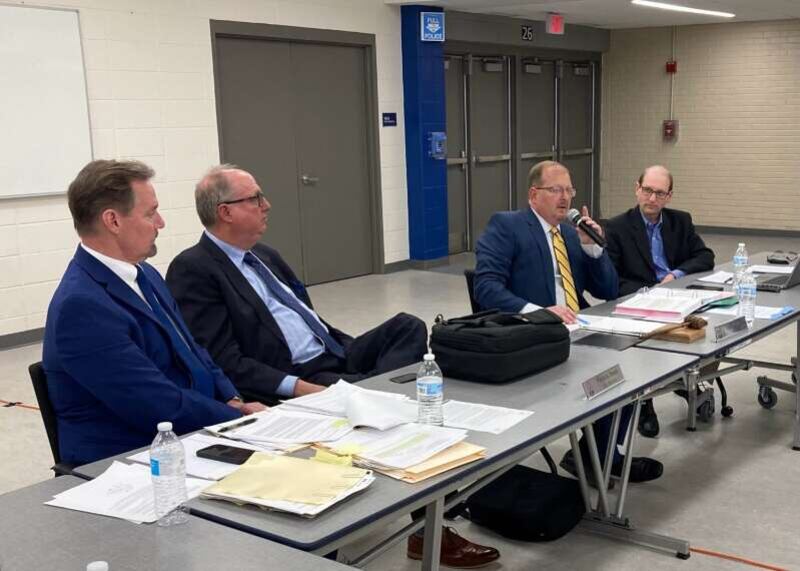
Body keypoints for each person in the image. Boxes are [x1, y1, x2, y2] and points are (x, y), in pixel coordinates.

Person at [166, 165, 498, 568]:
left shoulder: (265, 255)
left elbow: (308, 318)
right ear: (226, 212)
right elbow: (225, 360)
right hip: (298, 377)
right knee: (389, 411)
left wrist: (351, 350)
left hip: (334, 355)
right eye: (255, 199)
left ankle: (370, 401)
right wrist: (304, 388)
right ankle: (427, 525)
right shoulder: (194, 268)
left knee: (408, 326)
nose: (266, 205)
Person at [42, 160, 265, 466]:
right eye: (150, 213)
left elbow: (192, 349)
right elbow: (154, 403)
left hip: (185, 430)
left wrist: (231, 398)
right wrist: (235, 418)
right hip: (129, 456)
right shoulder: (82, 306)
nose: (161, 223)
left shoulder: (144, 273)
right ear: (113, 221)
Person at [475, 160, 663, 484]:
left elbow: (607, 290)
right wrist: (539, 311)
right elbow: (486, 287)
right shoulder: (508, 226)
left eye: (569, 190)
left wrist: (593, 250)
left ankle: (602, 454)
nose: (565, 198)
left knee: (635, 365)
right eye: (555, 190)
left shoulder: (572, 233)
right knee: (607, 372)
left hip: (577, 324)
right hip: (533, 331)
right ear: (534, 194)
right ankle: (600, 458)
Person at [606, 165, 715, 437]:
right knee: (647, 346)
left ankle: (692, 380)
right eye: (647, 190)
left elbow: (705, 256)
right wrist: (650, 292)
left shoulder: (680, 221)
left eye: (659, 193)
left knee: (713, 330)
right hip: (640, 302)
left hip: (678, 297)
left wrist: (675, 275)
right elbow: (612, 279)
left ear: (669, 196)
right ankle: (645, 403)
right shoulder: (617, 227)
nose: (652, 198)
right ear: (637, 189)